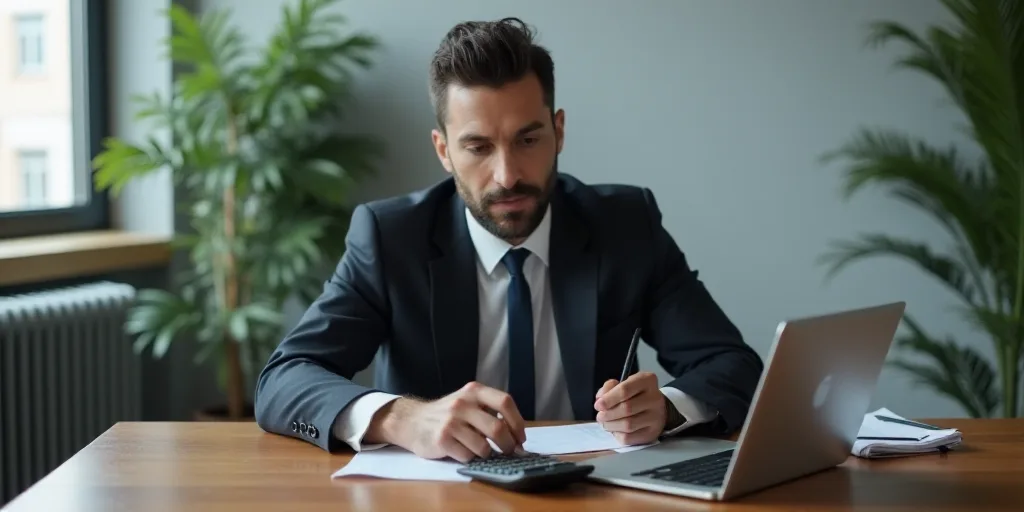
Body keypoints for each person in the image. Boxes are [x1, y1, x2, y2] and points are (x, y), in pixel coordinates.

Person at [254, 17, 763, 463]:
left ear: (558, 132)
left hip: (593, 492)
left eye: (528, 139)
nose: (507, 175)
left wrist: (670, 408)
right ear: (443, 151)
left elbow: (731, 364)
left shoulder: (625, 225)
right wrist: (401, 419)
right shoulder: (391, 239)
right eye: (477, 146)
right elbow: (283, 380)